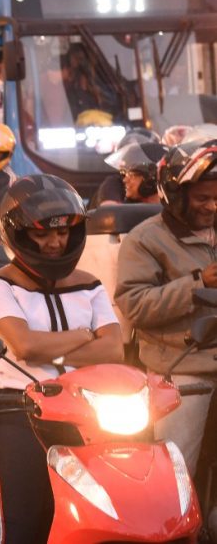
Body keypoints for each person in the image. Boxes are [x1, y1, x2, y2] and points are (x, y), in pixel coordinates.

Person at [0, 174, 123, 543]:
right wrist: (87, 336)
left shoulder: (91, 283)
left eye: (63, 232)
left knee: (106, 515)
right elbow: (25, 346)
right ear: (18, 233)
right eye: (42, 234)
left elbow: (115, 349)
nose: (55, 242)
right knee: (18, 528)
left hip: (90, 409)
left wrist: (51, 344)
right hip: (17, 410)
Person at [116, 138, 217, 476]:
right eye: (203, 198)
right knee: (175, 471)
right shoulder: (145, 240)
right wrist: (198, 283)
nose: (213, 206)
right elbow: (135, 305)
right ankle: (175, 526)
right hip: (183, 367)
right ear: (177, 195)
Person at [94, 141, 166, 207]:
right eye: (125, 174)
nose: (125, 180)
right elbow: (109, 212)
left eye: (132, 175)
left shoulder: (173, 207)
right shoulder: (125, 209)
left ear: (152, 177)